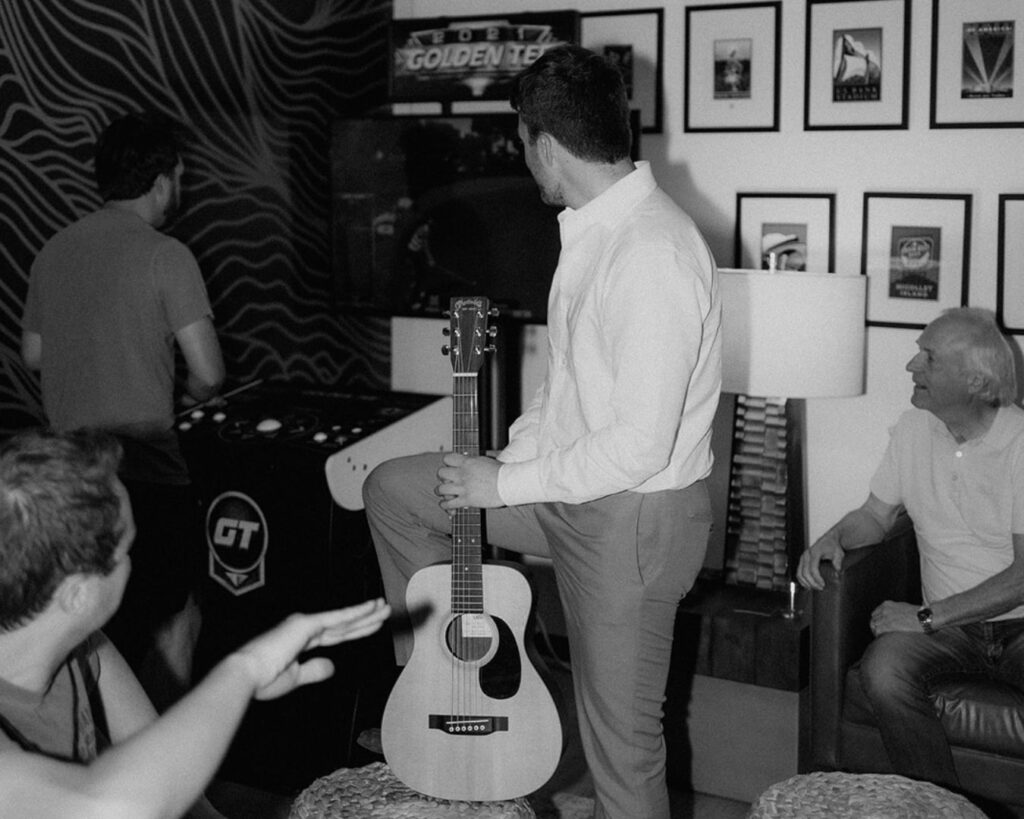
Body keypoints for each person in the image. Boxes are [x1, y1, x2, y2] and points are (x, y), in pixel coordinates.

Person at [363, 44, 722, 819]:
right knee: (394, 490)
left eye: (524, 146)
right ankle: (438, 683)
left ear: (546, 144)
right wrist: (505, 459)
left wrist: (505, 483)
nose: (525, 165)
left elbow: (638, 445)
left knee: (622, 750)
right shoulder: (592, 231)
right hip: (569, 488)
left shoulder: (651, 253)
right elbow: (567, 393)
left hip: (632, 518)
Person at [0, 427, 391, 819]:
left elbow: (161, 766)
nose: (138, 563)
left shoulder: (84, 644)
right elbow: (110, 804)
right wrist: (246, 669)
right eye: (126, 550)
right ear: (78, 594)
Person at [21, 111, 225, 706]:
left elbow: (34, 354)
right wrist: (183, 395)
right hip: (147, 473)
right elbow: (210, 374)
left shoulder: (54, 250)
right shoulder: (167, 255)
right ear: (163, 180)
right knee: (177, 615)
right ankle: (161, 773)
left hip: (70, 479)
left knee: (92, 630)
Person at [797, 307, 1024, 792]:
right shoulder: (912, 430)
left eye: (929, 358)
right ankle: (938, 805)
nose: (911, 367)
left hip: (1015, 624)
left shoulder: (1022, 444)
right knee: (882, 672)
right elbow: (876, 516)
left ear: (977, 382)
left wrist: (924, 618)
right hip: (950, 629)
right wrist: (833, 536)